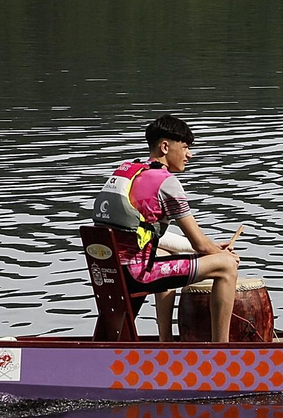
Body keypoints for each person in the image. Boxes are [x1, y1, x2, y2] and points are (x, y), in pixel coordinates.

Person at [92, 114, 240, 342]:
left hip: (112, 271)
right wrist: (219, 253)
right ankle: (222, 350)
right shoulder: (166, 182)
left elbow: (143, 234)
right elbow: (199, 242)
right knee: (227, 265)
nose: (189, 155)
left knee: (164, 254)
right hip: (137, 274)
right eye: (185, 147)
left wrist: (211, 248)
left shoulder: (128, 173)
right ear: (165, 146)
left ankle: (166, 342)